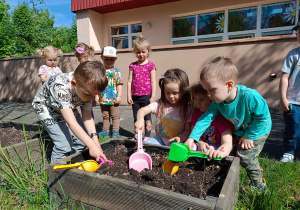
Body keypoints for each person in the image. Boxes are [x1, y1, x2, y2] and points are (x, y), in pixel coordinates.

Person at [185, 56, 271, 191]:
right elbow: (205, 118)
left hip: (258, 130)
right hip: (241, 129)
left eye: (211, 90)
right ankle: (229, 179)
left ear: (229, 85)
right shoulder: (217, 103)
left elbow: (262, 117)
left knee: (245, 157)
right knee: (229, 152)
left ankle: (259, 183)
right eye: (206, 90)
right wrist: (192, 138)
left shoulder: (250, 97)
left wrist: (249, 136)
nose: (208, 95)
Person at [32, 61, 108, 163]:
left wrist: (95, 141)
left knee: (81, 141)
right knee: (64, 145)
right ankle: (54, 175)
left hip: (66, 106)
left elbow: (87, 116)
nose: (91, 99)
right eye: (89, 95)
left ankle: (71, 166)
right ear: (73, 83)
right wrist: (91, 145)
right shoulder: (60, 86)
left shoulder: (86, 88)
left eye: (95, 95)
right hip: (46, 107)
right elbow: (71, 122)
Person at [134, 68, 192, 146]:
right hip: (159, 140)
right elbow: (142, 110)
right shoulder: (160, 104)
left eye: (175, 93)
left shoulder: (187, 109)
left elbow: (187, 131)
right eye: (167, 92)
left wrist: (181, 137)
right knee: (147, 145)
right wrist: (140, 120)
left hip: (176, 142)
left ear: (184, 91)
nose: (171, 96)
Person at [189, 80, 233, 160]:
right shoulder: (196, 113)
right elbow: (193, 132)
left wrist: (219, 152)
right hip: (201, 145)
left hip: (216, 148)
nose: (197, 103)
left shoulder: (220, 117)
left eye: (202, 100)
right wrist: (200, 142)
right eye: (195, 99)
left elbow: (227, 141)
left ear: (212, 99)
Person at [127, 35, 156, 141]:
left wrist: (152, 96)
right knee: (136, 116)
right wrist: (129, 95)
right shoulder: (132, 66)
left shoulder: (150, 65)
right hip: (135, 96)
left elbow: (153, 82)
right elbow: (129, 81)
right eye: (138, 52)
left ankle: (147, 135)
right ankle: (138, 134)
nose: (141, 54)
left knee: (147, 117)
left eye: (143, 52)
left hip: (146, 96)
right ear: (135, 52)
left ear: (148, 51)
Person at [279, 22, 300, 163]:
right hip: (293, 100)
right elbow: (284, 77)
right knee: (293, 128)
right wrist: (283, 98)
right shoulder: (293, 55)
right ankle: (289, 152)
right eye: (299, 34)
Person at [96, 46, 123, 139]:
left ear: (115, 59)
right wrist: (96, 95)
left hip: (114, 98)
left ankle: (115, 131)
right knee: (105, 115)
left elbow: (119, 84)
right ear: (102, 58)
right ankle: (105, 131)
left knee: (114, 116)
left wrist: (119, 96)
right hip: (103, 97)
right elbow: (97, 84)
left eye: (111, 59)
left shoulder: (116, 71)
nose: (108, 61)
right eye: (106, 59)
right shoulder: (100, 71)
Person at [74, 42, 96, 118]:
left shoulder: (90, 66)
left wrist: (96, 95)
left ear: (86, 55)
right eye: (78, 58)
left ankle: (89, 124)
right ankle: (86, 125)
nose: (79, 60)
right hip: (83, 90)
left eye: (80, 58)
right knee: (84, 109)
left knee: (88, 109)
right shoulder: (81, 65)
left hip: (88, 91)